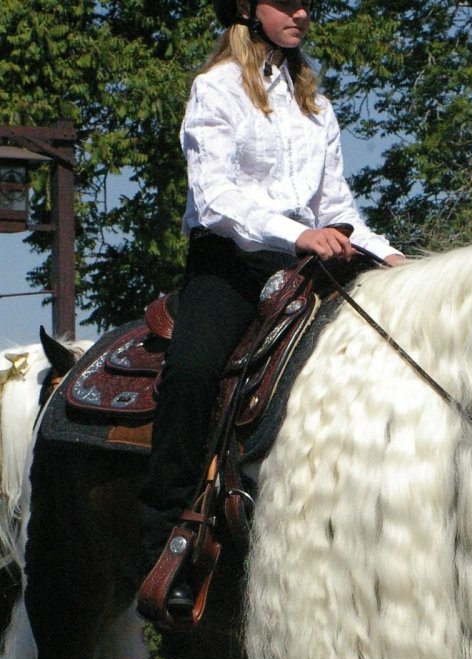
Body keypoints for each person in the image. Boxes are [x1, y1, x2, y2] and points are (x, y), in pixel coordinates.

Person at [138, 0, 404, 617]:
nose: (302, 13)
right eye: (287, 2)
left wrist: (389, 257)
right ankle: (166, 538)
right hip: (230, 260)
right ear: (247, 9)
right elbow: (216, 198)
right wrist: (297, 233)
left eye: (308, 3)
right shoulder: (217, 89)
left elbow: (337, 203)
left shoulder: (315, 103)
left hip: (309, 260)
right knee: (195, 369)